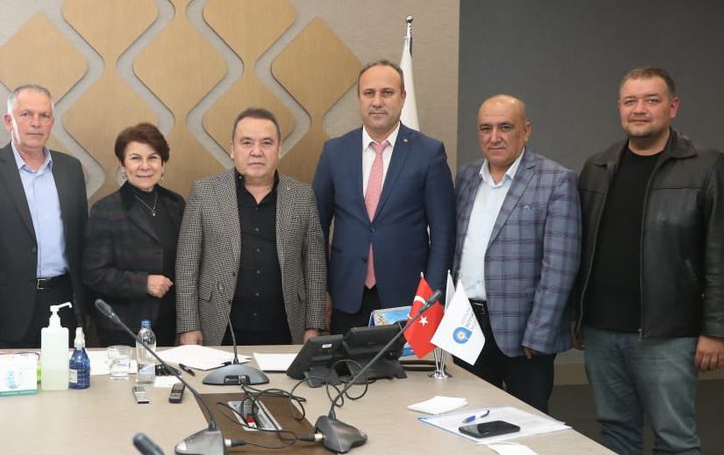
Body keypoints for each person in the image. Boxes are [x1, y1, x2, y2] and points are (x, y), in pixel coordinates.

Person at [574, 67, 724, 455]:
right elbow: (580, 246)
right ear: (619, 108)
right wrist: (577, 315)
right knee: (615, 429)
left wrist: (715, 330)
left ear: (673, 107)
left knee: (674, 437)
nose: (639, 109)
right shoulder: (598, 166)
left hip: (669, 332)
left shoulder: (706, 166)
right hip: (602, 329)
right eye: (630, 101)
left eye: (651, 100)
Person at [451, 95, 580, 413]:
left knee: (527, 422)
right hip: (467, 325)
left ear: (526, 130)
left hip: (524, 333)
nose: (494, 137)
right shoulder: (466, 177)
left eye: (505, 127)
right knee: (467, 418)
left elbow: (560, 267)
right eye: (485, 128)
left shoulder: (555, 180)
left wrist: (539, 332)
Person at [314, 59, 454, 334]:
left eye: (387, 93)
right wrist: (322, 291)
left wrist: (432, 298)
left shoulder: (429, 153)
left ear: (403, 97)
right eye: (369, 93)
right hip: (345, 296)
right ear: (359, 98)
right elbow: (316, 228)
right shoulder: (334, 152)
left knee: (403, 365)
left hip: (408, 299)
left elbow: (443, 234)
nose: (377, 101)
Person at [176, 108, 326, 346]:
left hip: (285, 328)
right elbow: (187, 264)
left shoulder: (302, 196)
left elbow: (314, 266)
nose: (256, 151)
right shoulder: (205, 192)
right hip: (219, 326)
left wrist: (314, 325)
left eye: (266, 143)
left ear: (279, 149)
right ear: (232, 149)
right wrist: (188, 325)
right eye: (246, 143)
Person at [0, 84, 88, 351]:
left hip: (63, 303)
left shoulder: (71, 169)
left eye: (44, 116)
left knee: (63, 378)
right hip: (6, 309)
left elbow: (81, 242)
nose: (36, 123)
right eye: (26, 114)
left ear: (51, 123)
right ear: (9, 121)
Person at [83, 123, 185, 346]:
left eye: (153, 158)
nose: (145, 166)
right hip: (123, 327)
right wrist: (143, 283)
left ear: (163, 163)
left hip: (169, 324)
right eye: (135, 158)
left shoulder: (176, 204)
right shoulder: (106, 210)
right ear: (122, 164)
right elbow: (93, 274)